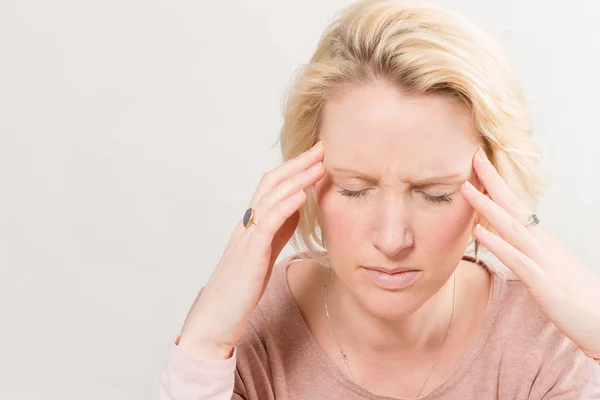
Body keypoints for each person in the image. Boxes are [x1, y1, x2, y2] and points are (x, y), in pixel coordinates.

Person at [159, 0, 600, 398]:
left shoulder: (543, 344)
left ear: (490, 186)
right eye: (355, 189)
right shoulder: (247, 335)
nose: (392, 240)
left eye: (435, 195)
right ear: (305, 178)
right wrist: (205, 345)